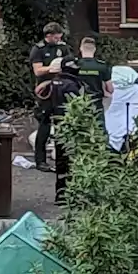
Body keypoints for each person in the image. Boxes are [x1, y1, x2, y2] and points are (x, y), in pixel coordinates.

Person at [34, 58, 84, 203]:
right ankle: (72, 195)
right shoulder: (72, 85)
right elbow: (78, 107)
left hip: (58, 125)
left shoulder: (55, 83)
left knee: (61, 162)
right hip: (71, 126)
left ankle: (60, 194)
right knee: (73, 162)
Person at [28, 22, 72, 172]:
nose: (59, 38)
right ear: (48, 36)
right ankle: (40, 161)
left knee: (62, 123)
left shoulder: (63, 47)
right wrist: (51, 68)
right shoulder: (38, 49)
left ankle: (62, 160)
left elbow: (69, 62)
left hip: (61, 88)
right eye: (56, 36)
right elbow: (38, 71)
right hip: (45, 89)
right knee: (44, 124)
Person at [73, 37, 114, 125]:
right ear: (94, 49)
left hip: (78, 102)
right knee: (99, 128)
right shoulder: (102, 66)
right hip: (96, 103)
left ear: (81, 48)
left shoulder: (74, 65)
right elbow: (110, 88)